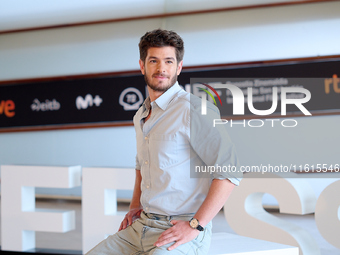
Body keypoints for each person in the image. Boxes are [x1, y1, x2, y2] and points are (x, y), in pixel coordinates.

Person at [86, 28, 241, 255]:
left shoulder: (194, 109)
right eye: (154, 61)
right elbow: (142, 163)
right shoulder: (141, 115)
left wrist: (195, 225)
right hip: (141, 226)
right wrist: (135, 205)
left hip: (180, 229)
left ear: (178, 67)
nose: (161, 69)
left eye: (168, 61)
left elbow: (230, 170)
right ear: (142, 66)